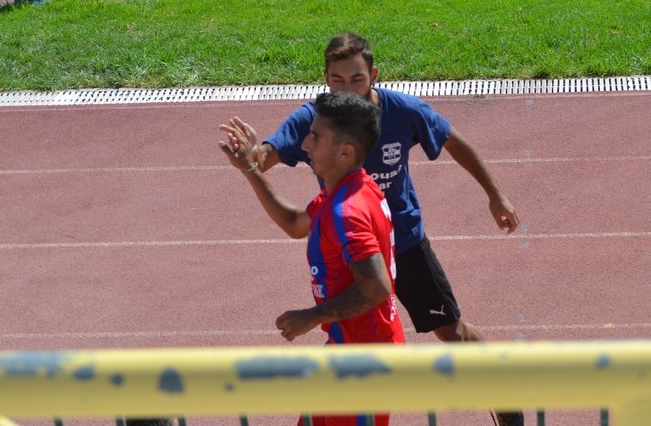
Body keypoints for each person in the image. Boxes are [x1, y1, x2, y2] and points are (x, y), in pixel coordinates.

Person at [221, 32, 524, 426]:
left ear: (374, 75)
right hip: (350, 249)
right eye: (337, 80)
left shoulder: (401, 113)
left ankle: (504, 397)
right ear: (325, 78)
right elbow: (268, 159)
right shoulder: (318, 121)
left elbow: (453, 141)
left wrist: (495, 195)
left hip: (403, 243)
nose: (348, 89)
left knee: (450, 331)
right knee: (350, 338)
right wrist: (251, 159)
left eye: (357, 79)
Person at [219, 91, 403, 426]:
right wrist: (249, 168)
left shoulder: (347, 211)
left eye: (316, 138)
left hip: (363, 366)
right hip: (349, 347)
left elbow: (377, 286)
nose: (305, 145)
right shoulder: (350, 190)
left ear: (345, 152)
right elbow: (295, 223)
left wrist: (312, 316)